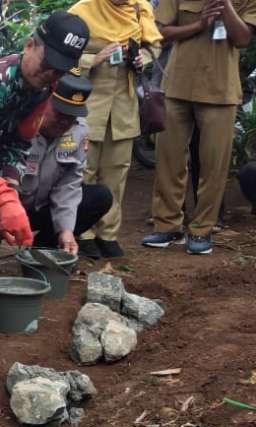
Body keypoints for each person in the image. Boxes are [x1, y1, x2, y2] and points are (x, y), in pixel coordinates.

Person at [0, 11, 89, 294]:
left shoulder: (42, 88)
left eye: (59, 71)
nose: (51, 75)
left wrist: (10, 190)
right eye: (48, 64)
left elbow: (18, 142)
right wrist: (1, 196)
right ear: (29, 46)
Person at [142, 0, 256, 255]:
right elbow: (161, 31)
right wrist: (199, 24)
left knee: (213, 165)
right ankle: (167, 224)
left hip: (220, 91)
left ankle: (202, 230)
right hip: (177, 86)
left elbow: (242, 39)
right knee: (168, 159)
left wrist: (225, 5)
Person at [69, 0, 162, 259]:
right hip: (89, 105)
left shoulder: (139, 7)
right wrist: (93, 59)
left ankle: (108, 234)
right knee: (83, 171)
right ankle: (82, 232)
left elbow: (153, 45)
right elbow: (62, 56)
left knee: (117, 172)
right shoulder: (81, 11)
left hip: (123, 106)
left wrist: (140, 58)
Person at [18, 74, 114, 255]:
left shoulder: (78, 130)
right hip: (8, 205)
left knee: (99, 197)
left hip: (42, 207)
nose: (64, 122)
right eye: (59, 113)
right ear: (45, 102)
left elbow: (69, 183)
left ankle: (44, 250)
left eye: (71, 117)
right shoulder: (20, 122)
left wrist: (66, 230)